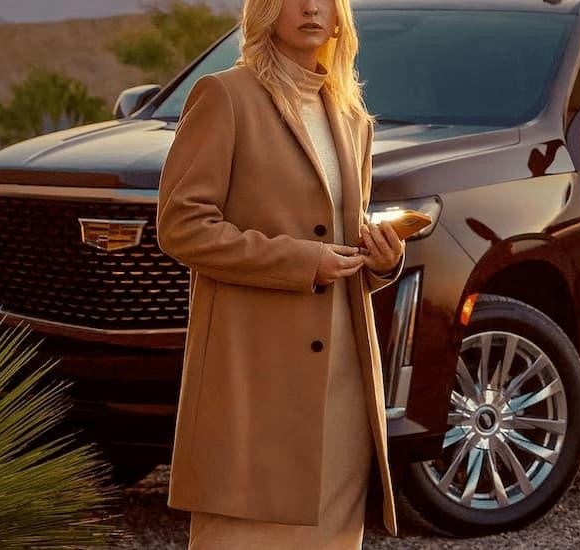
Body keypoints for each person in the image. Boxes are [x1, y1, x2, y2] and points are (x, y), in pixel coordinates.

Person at [155, 0, 405, 546]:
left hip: (343, 371)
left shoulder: (352, 118)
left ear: (340, 17)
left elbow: (343, 233)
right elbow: (181, 225)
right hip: (252, 371)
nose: (311, 7)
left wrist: (383, 262)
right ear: (267, 9)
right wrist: (300, 262)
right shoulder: (225, 96)